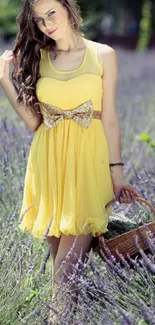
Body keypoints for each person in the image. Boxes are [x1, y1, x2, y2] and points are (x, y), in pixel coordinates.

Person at [0, 0, 139, 323]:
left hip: (88, 165)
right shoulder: (40, 57)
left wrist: (116, 173)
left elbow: (111, 119)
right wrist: (7, 81)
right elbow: (34, 122)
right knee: (61, 267)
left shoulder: (103, 55)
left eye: (52, 13)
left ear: (68, 9)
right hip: (48, 163)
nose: (46, 24)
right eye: (38, 19)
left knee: (66, 268)